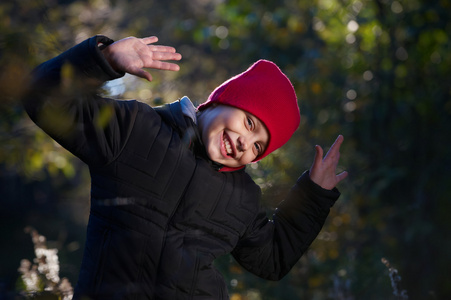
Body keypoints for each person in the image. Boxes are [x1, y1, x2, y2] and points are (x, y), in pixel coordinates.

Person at [23, 35, 348, 299]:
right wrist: (103, 60)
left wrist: (313, 195)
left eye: (259, 147)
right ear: (223, 100)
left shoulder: (243, 197)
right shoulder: (135, 130)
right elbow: (44, 98)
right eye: (249, 123)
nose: (246, 144)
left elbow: (272, 260)